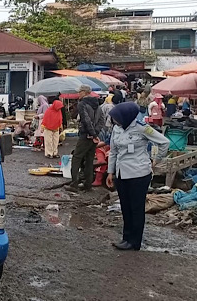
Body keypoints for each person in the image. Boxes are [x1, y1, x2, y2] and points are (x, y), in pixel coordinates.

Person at [106, 102, 169, 250]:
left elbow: (164, 142)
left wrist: (156, 159)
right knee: (125, 207)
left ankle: (135, 242)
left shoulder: (142, 128)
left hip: (139, 174)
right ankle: (126, 238)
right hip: (122, 173)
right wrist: (110, 172)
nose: (116, 121)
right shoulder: (117, 129)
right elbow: (113, 152)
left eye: (118, 118)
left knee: (136, 208)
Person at [67, 84, 105, 193]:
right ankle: (88, 184)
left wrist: (92, 133)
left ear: (84, 92)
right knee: (89, 160)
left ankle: (74, 184)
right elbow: (101, 120)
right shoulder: (97, 104)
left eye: (79, 92)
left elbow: (86, 120)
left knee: (76, 158)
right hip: (94, 137)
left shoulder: (82, 104)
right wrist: (96, 133)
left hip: (85, 135)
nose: (78, 94)